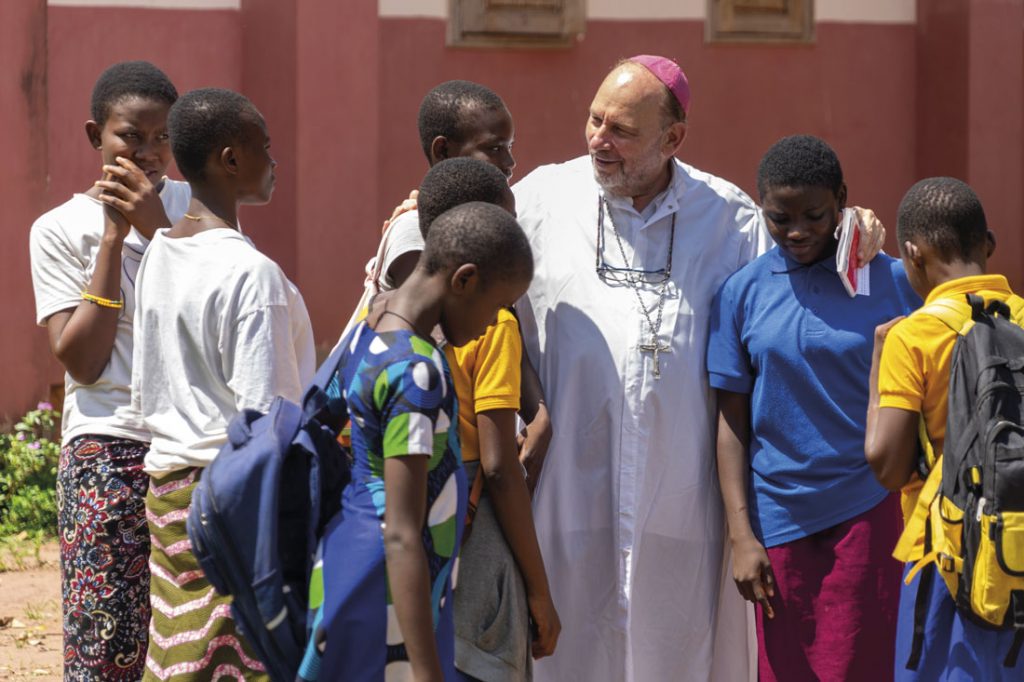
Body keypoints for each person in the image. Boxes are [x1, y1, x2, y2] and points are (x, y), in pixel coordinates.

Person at [511, 55, 884, 681]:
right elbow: (465, 262)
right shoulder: (540, 199)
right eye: (595, 120)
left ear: (673, 139)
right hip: (567, 498)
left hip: (682, 507)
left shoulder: (730, 218)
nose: (599, 140)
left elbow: (797, 281)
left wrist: (852, 229)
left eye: (621, 130)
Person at [708, 135, 916, 681]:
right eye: (780, 218)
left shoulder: (894, 281)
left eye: (814, 216)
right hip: (779, 520)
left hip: (871, 510)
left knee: (868, 666)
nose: (797, 231)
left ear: (842, 200)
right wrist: (741, 535)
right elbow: (731, 421)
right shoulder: (742, 292)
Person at [303, 201, 535, 682]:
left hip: (352, 562)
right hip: (384, 590)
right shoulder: (417, 374)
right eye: (497, 306)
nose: (493, 322)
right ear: (464, 280)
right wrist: (427, 670)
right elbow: (402, 532)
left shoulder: (372, 326)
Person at [132, 87, 314, 680]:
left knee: (179, 656)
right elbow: (265, 423)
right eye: (265, 147)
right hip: (233, 503)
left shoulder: (162, 250)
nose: (275, 160)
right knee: (245, 659)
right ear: (231, 159)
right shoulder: (251, 274)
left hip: (167, 493)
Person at [28, 60, 186, 679]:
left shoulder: (196, 208)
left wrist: (159, 231)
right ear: (96, 136)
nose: (148, 153)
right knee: (105, 648)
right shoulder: (56, 230)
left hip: (188, 446)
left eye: (162, 137)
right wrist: (114, 240)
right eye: (131, 136)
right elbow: (83, 361)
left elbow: (208, 316)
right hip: (106, 451)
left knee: (192, 644)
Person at [346, 79, 551, 495]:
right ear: (442, 151)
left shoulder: (463, 227)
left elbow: (501, 319)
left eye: (510, 146)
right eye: (495, 147)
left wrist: (537, 409)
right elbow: (461, 330)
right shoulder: (414, 233)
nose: (510, 161)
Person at [403, 158, 560, 681]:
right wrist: (539, 591)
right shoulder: (493, 324)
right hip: (473, 540)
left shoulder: (379, 318)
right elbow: (498, 468)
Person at [865, 177, 1024, 680]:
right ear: (989, 243)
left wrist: (877, 362)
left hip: (947, 559)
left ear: (912, 254)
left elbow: (887, 467)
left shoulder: (912, 336)